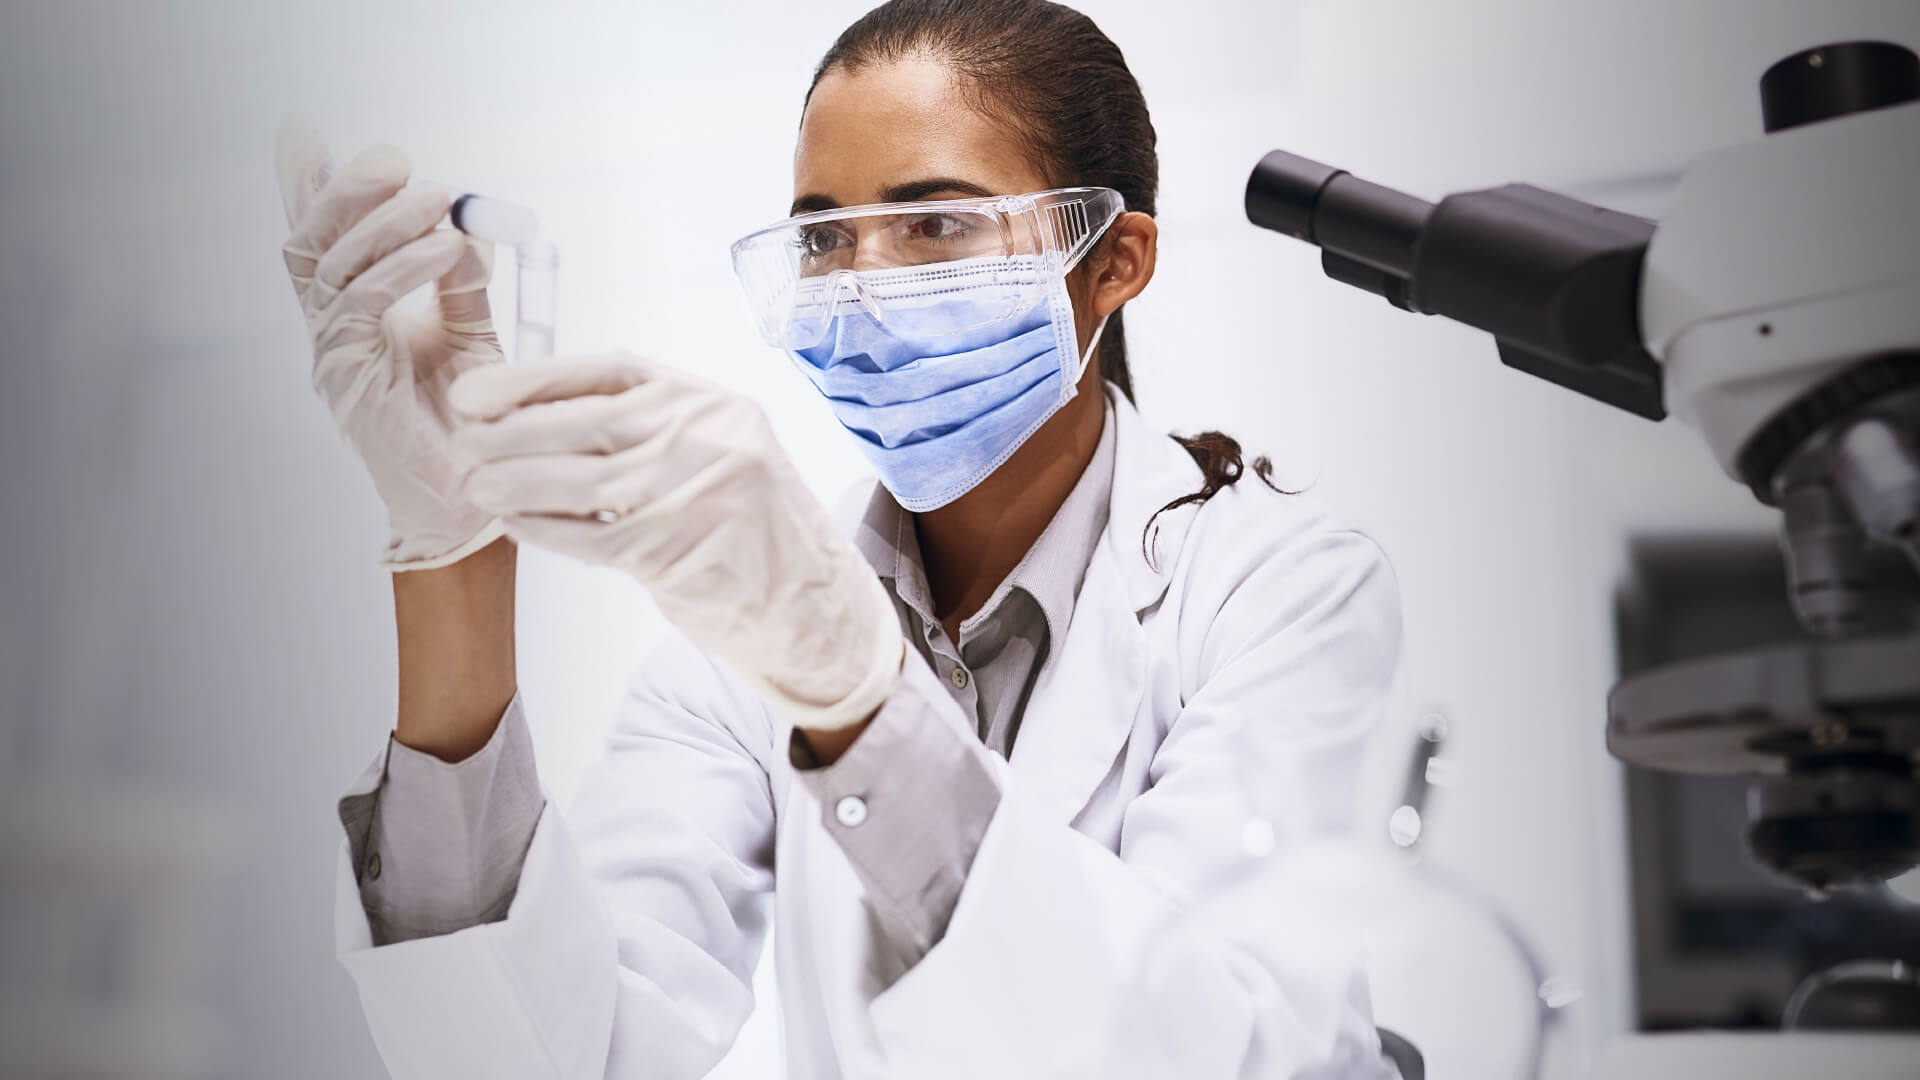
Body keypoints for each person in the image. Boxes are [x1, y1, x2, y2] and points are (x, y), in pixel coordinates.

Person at [275, 1, 1403, 1076]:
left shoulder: (1277, 590)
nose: (859, 291)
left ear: (1112, 263)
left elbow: (1217, 1048)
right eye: (822, 238)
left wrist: (859, 700)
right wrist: (454, 535)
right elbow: (539, 1057)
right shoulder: (736, 651)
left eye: (931, 223)